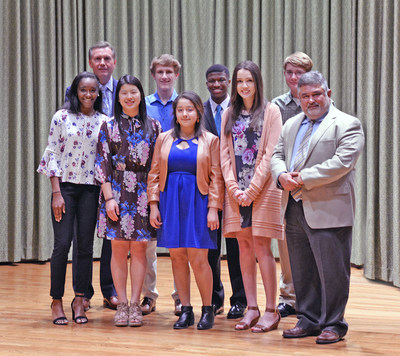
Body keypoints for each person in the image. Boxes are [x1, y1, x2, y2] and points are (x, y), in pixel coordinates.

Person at [271, 71, 364, 344]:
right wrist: (280, 175)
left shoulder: (347, 124)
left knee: (333, 271)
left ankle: (334, 323)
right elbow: (277, 155)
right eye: (305, 96)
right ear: (298, 98)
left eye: (317, 94)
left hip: (329, 208)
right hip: (293, 208)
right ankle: (308, 320)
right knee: (302, 269)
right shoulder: (291, 125)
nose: (311, 100)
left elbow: (343, 162)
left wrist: (302, 178)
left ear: (328, 94)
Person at [147, 91, 224, 330]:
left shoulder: (210, 140)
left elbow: (216, 177)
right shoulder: (164, 138)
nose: (185, 114)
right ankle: (186, 310)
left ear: (198, 113)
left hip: (198, 202)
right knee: (177, 257)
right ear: (175, 114)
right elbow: (154, 174)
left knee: (199, 258)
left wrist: (213, 208)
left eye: (190, 109)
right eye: (180, 110)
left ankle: (208, 309)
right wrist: (153, 205)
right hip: (170, 201)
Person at [37, 72, 108, 325]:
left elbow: (106, 160)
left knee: (85, 247)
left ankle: (80, 299)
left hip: (90, 190)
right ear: (75, 92)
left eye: (92, 90)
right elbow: (52, 153)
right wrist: (56, 192)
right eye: (83, 90)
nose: (88, 95)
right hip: (65, 189)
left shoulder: (104, 121)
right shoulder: (62, 117)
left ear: (98, 94)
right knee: (62, 244)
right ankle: (56, 300)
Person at [220, 61, 284, 333]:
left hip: (263, 188)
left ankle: (271, 310)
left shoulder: (271, 111)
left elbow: (271, 154)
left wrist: (252, 189)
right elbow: (223, 152)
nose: (244, 86)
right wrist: (233, 187)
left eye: (249, 80)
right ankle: (252, 308)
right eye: (240, 81)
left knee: (261, 247)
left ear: (257, 83)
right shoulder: (228, 113)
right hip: (236, 191)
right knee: (243, 247)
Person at [95, 75, 161, 327]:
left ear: (140, 95)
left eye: (133, 92)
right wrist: (109, 198)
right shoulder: (108, 126)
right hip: (117, 194)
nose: (129, 97)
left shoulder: (153, 126)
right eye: (124, 93)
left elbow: (157, 166)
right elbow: (102, 164)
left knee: (140, 249)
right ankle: (121, 303)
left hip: (144, 193)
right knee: (119, 250)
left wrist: (154, 201)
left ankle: (135, 303)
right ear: (118, 97)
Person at [65, 41, 119, 311]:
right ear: (91, 63)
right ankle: (82, 293)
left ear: (114, 62)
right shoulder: (76, 89)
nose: (102, 63)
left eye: (107, 58)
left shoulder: (124, 89)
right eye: (97, 58)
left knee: (111, 233)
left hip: (114, 174)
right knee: (81, 237)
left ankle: (109, 291)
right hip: (83, 176)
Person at [203, 64, 247, 319]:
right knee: (210, 247)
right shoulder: (201, 108)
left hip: (234, 187)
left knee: (235, 247)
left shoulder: (240, 108)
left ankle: (239, 300)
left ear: (228, 81)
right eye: (212, 81)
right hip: (207, 188)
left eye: (221, 80)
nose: (216, 85)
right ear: (206, 83)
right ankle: (213, 298)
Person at [271, 51, 313, 318]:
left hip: (313, 182)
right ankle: (289, 298)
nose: (294, 77)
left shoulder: (320, 102)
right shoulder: (276, 105)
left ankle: (312, 300)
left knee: (313, 242)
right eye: (290, 72)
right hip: (285, 182)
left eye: (299, 72)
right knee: (286, 243)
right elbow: (275, 147)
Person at [141, 54, 182, 316]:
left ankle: (181, 296)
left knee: (179, 243)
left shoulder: (186, 103)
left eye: (169, 72)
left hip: (179, 180)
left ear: (176, 75)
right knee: (148, 244)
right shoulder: (143, 105)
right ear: (153, 75)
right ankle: (149, 296)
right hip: (150, 180)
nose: (165, 76)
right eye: (160, 72)